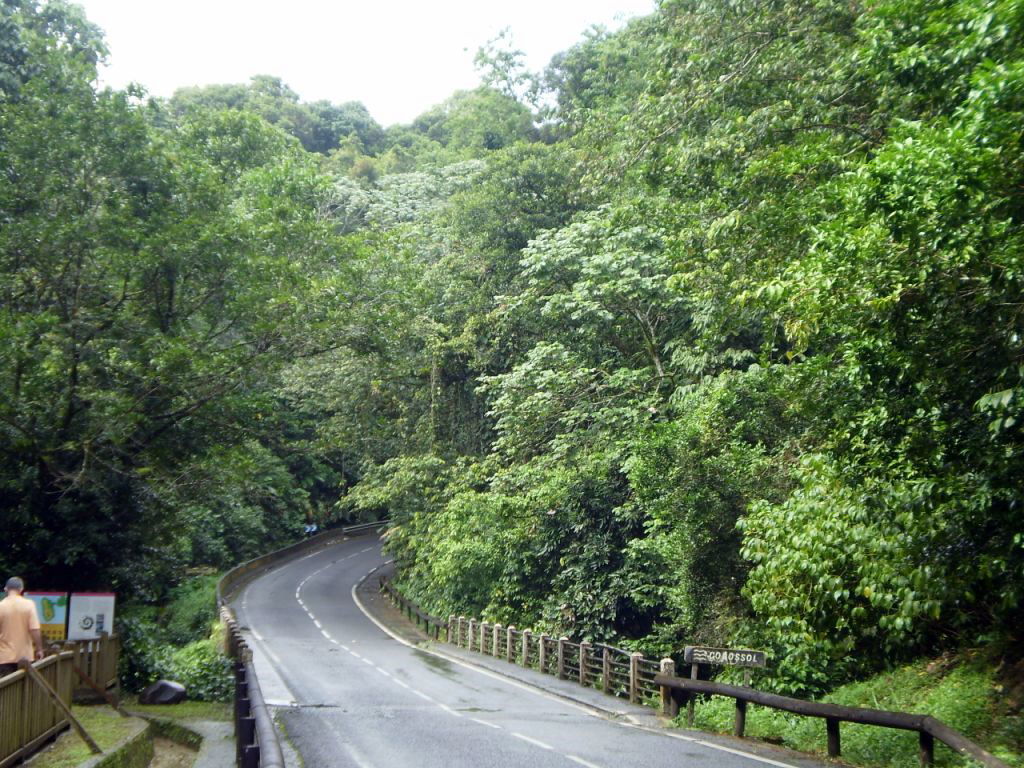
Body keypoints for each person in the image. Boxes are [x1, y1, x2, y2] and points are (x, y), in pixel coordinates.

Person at [0, 576, 43, 677]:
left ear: (6, 589)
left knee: (7, 689)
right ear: (21, 589)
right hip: (25, 657)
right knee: (25, 689)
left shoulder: (1, 606)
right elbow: (34, 629)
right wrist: (39, 648)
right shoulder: (29, 605)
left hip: (4, 657)